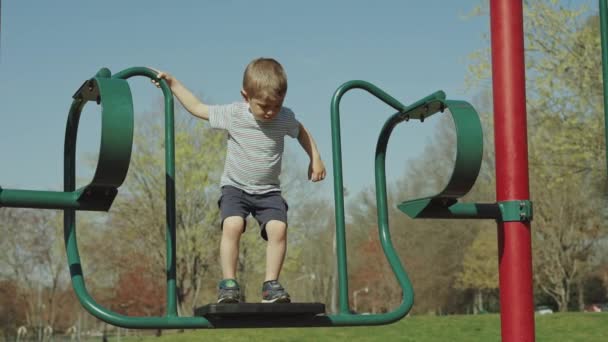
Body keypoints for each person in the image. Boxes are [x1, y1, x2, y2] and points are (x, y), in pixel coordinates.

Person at [152, 58, 326, 303]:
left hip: (269, 191)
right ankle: (229, 284)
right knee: (232, 225)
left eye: (276, 105)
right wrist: (173, 84)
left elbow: (302, 132)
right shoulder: (234, 114)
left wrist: (315, 158)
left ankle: (271, 285)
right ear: (246, 96)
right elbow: (198, 108)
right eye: (263, 106)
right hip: (236, 188)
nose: (270, 112)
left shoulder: (283, 118)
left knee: (279, 229)